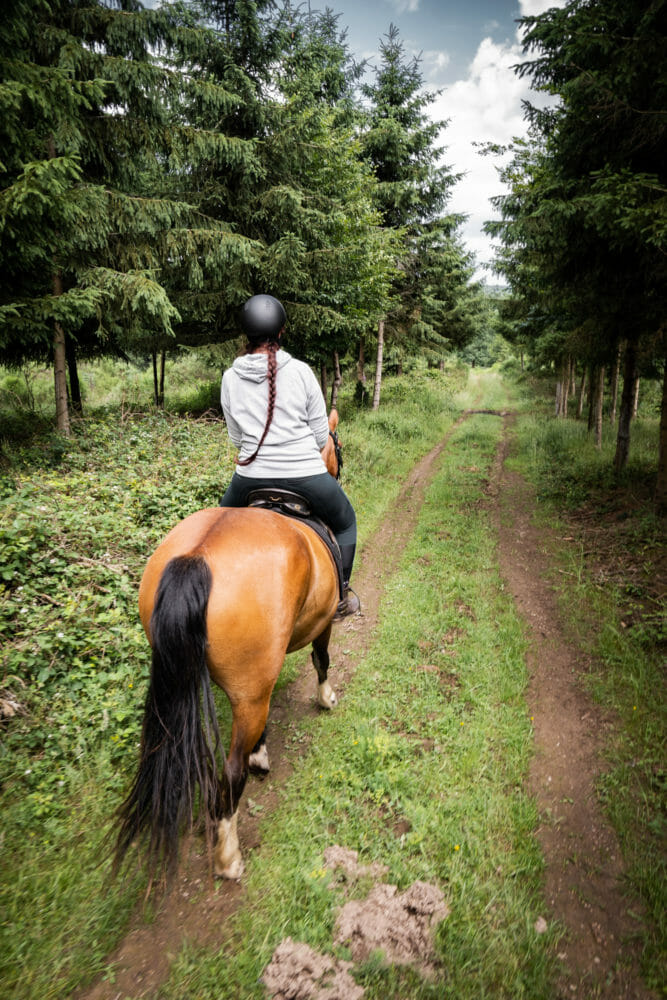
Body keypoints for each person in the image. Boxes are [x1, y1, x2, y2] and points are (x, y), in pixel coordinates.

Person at [220, 294, 360, 620]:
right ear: (281, 332)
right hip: (306, 476)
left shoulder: (229, 377)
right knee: (346, 521)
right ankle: (342, 595)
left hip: (249, 479)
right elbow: (319, 436)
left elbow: (236, 438)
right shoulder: (300, 371)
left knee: (213, 531)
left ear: (246, 335)